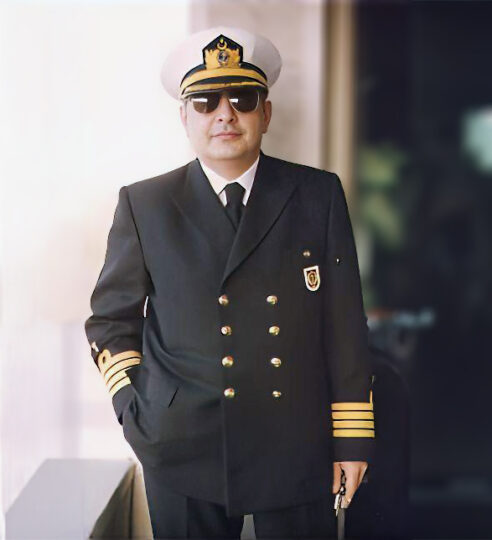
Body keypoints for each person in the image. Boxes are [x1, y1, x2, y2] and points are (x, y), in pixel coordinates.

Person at [85, 26, 376, 539]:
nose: (225, 114)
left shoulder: (317, 195)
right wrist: (137, 411)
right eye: (205, 102)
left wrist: (351, 439)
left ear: (266, 113)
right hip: (182, 446)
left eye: (243, 99)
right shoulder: (146, 204)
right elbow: (111, 320)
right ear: (185, 117)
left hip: (295, 441)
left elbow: (345, 325)